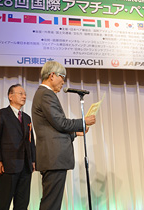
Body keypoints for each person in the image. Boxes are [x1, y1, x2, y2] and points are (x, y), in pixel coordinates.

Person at [32, 61, 96, 210]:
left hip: (53, 158)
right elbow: (60, 123)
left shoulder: (44, 94)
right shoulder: (45, 94)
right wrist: (83, 121)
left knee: (52, 202)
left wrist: (75, 133)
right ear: (52, 75)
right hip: (53, 158)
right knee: (51, 204)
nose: (63, 81)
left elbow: (53, 129)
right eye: (62, 76)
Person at [0, 84, 36, 210]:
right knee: (4, 202)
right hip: (8, 166)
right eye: (21, 93)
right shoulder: (0, 114)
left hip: (25, 167)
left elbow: (31, 141)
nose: (24, 96)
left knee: (22, 203)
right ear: (10, 96)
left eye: (25, 94)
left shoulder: (27, 117)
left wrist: (33, 160)